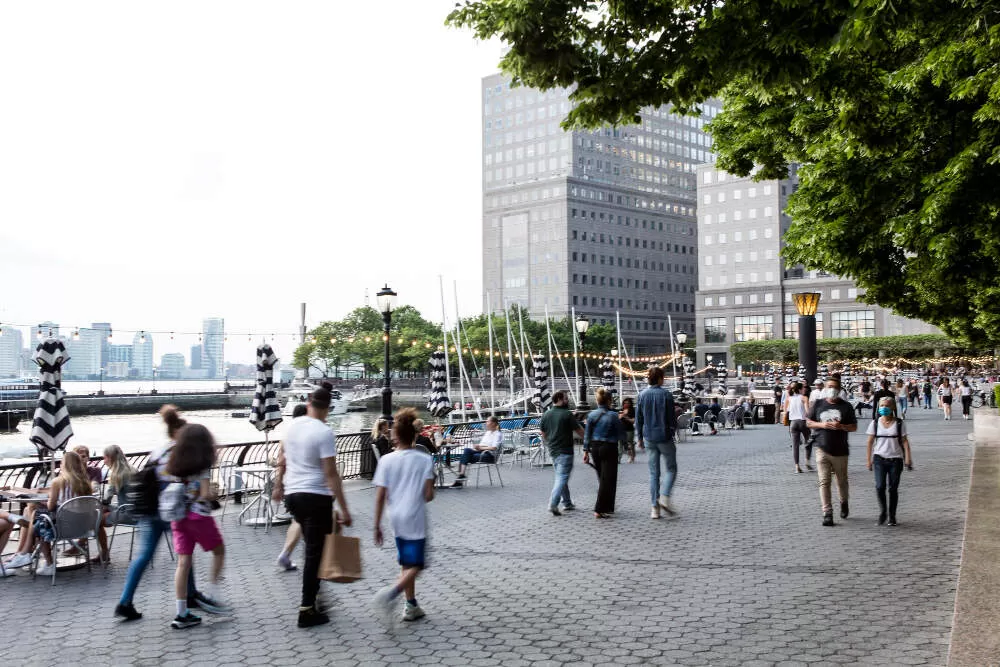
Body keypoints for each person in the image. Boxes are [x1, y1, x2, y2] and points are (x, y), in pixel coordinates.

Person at [115, 406, 226, 623]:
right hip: (176, 511)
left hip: (150, 509)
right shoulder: (188, 454)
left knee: (145, 555)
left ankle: (125, 601)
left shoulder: (159, 452)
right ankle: (190, 595)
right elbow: (198, 489)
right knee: (186, 555)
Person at [273, 387, 352, 628]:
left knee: (314, 546)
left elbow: (282, 461)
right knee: (314, 554)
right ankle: (307, 609)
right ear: (328, 407)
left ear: (308, 402)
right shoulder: (324, 431)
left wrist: (278, 486)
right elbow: (331, 474)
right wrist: (345, 509)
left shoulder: (293, 427)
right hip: (315, 496)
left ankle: (316, 593)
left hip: (293, 496)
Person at [371, 408, 436, 623]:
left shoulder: (386, 461)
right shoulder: (424, 460)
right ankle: (391, 594)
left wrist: (376, 525)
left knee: (406, 563)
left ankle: (411, 605)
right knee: (417, 565)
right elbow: (428, 496)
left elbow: (380, 496)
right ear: (414, 435)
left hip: (395, 517)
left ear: (395, 436)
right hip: (414, 516)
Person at [165, 423, 229, 630]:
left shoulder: (175, 463)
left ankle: (181, 612)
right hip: (198, 517)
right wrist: (213, 492)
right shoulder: (202, 465)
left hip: (178, 517)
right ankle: (212, 593)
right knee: (219, 551)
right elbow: (204, 494)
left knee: (183, 563)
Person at [21, 451, 95, 576]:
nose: (60, 464)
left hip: (62, 528)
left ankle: (47, 562)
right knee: (38, 516)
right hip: (83, 527)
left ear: (65, 465)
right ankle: (27, 552)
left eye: (61, 462)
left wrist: (45, 502)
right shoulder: (86, 482)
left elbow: (50, 507)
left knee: (38, 519)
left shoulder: (58, 481)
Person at [806, 377, 858, 526]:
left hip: (840, 451)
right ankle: (827, 512)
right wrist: (823, 424)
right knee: (824, 481)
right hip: (822, 449)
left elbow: (854, 427)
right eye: (829, 386)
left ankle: (844, 502)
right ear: (825, 388)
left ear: (840, 389)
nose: (832, 389)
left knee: (841, 481)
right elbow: (808, 422)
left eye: (835, 387)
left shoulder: (846, 406)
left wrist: (841, 426)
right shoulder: (818, 404)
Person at [636, 366, 679, 520]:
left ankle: (655, 508)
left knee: (654, 473)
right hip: (664, 436)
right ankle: (665, 497)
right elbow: (671, 418)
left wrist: (639, 437)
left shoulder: (642, 395)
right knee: (671, 468)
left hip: (649, 437)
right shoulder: (666, 395)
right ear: (660, 378)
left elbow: (638, 419)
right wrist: (673, 431)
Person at [865, 397, 913, 526]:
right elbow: (869, 442)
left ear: (892, 408)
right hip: (879, 459)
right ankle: (883, 512)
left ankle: (892, 515)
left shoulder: (899, 423)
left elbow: (904, 441)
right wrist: (868, 460)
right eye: (881, 405)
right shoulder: (875, 423)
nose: (883, 408)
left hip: (895, 459)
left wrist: (908, 458)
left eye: (886, 406)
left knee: (893, 488)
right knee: (880, 486)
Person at [275, 403, 308, 572]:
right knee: (303, 522)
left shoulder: (286, 436)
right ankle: (288, 554)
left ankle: (286, 554)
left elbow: (280, 463)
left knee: (297, 520)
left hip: (290, 487)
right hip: (307, 487)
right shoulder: (310, 435)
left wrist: (278, 485)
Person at [540, 391, 584, 516]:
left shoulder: (546, 414)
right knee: (562, 477)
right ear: (559, 398)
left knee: (560, 476)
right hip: (565, 451)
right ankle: (553, 504)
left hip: (553, 450)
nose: (567, 401)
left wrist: (550, 443)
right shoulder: (567, 414)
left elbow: (543, 434)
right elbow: (579, 431)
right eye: (566, 399)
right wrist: (589, 440)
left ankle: (567, 503)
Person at [583, 387, 624, 519]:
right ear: (609, 401)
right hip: (609, 447)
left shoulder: (591, 415)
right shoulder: (613, 415)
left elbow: (587, 435)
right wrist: (627, 445)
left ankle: (607, 507)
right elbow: (620, 433)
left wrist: (585, 451)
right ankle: (599, 508)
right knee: (608, 479)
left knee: (602, 478)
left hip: (595, 448)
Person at [98, 444, 134, 564]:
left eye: (105, 458)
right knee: (102, 511)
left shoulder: (116, 474)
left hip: (128, 514)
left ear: (110, 458)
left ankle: (104, 553)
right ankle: (102, 552)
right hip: (139, 511)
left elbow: (107, 499)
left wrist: (103, 507)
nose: (104, 461)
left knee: (95, 518)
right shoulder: (133, 469)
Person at [450, 416, 501, 486]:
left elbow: (494, 448)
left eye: (488, 421)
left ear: (493, 423)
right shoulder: (488, 433)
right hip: (482, 451)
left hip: (490, 455)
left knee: (466, 457)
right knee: (466, 450)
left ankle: (461, 477)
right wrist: (478, 447)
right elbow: (483, 445)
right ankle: (461, 475)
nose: (486, 423)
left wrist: (480, 448)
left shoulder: (497, 434)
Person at [787, 382, 811, 473]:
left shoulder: (789, 398)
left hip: (793, 423)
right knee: (808, 442)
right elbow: (808, 412)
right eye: (803, 388)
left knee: (795, 446)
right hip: (802, 421)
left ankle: (797, 466)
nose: (805, 389)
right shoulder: (804, 398)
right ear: (800, 389)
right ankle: (807, 461)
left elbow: (786, 410)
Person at [618, 397, 636, 463]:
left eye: (628, 403)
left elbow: (633, 421)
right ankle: (618, 458)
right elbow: (618, 418)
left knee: (630, 444)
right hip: (621, 429)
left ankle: (631, 456)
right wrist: (622, 414)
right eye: (625, 403)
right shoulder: (621, 410)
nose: (626, 404)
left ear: (630, 404)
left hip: (629, 430)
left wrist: (626, 417)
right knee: (620, 444)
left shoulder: (632, 411)